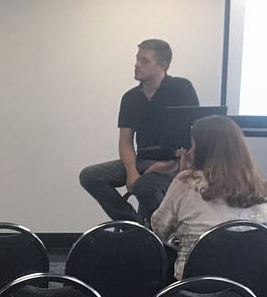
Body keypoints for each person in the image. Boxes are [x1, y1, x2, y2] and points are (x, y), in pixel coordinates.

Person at [79, 39, 199, 225]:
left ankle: (159, 230)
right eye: (137, 59)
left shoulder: (181, 88)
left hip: (173, 163)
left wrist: (173, 165)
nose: (137, 65)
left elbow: (197, 132)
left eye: (144, 61)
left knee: (147, 186)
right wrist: (131, 172)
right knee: (90, 176)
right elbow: (125, 142)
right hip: (142, 160)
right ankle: (134, 225)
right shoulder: (130, 98)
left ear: (163, 65)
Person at [151, 115, 267, 279]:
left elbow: (159, 228)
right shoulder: (259, 186)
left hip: (193, 288)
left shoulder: (186, 182)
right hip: (247, 289)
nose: (190, 152)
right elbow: (266, 236)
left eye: (193, 146)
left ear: (205, 150)